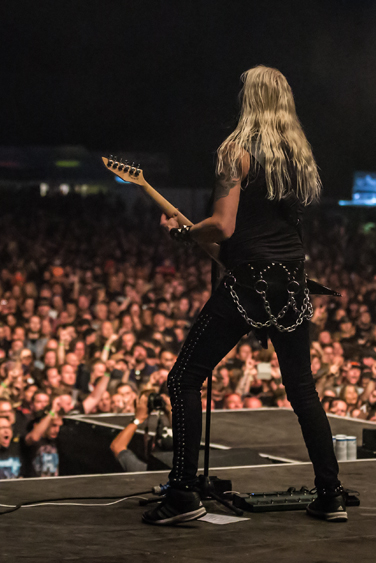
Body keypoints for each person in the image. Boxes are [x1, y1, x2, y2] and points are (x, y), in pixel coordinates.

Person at [148, 66, 343, 525]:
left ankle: (182, 493)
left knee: (184, 379)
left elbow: (223, 226)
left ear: (248, 100)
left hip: (249, 282)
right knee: (302, 391)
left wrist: (184, 233)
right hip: (292, 282)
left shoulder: (233, 152)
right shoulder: (297, 158)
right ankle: (331, 495)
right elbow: (252, 237)